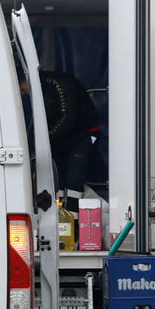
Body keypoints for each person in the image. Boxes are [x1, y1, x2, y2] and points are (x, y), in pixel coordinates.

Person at [38, 69, 100, 210]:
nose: (23, 93)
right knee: (56, 181)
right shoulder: (38, 89)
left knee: (74, 180)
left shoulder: (59, 83)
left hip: (83, 135)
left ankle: (74, 220)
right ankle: (58, 218)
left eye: (22, 89)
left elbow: (68, 118)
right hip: (60, 139)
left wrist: (46, 137)